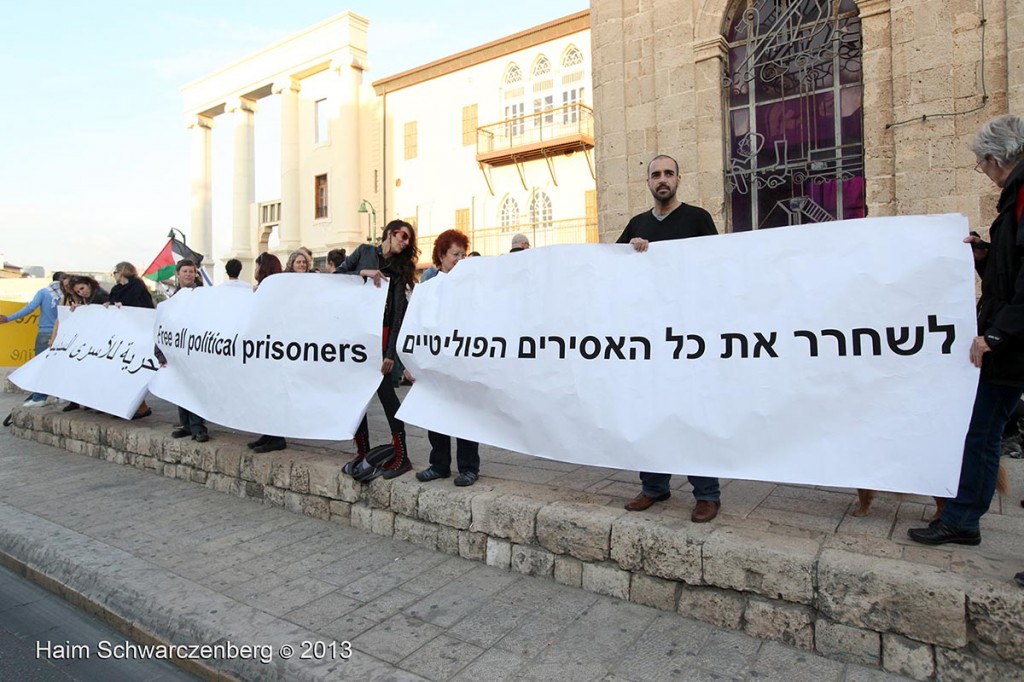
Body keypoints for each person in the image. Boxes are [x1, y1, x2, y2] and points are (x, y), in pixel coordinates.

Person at [909, 115, 1024, 549]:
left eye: (982, 165)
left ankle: (962, 519)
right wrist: (982, 255)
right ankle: (963, 518)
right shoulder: (1015, 199)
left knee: (981, 433)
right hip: (1012, 338)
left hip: (1011, 344)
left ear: (996, 159)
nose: (985, 174)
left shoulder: (1022, 196)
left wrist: (996, 335)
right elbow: (1012, 270)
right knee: (984, 430)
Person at [618, 154, 722, 523]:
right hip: (649, 338)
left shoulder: (698, 219)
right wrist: (631, 250)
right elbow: (612, 269)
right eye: (655, 175)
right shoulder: (637, 224)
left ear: (679, 178)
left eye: (668, 174)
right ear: (647, 182)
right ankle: (654, 486)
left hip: (688, 336)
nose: (662, 179)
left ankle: (707, 493)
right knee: (651, 411)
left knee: (692, 413)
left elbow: (717, 267)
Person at [338, 219, 419, 479]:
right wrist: (363, 274)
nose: (405, 242)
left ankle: (402, 454)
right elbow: (335, 277)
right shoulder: (364, 253)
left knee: (387, 396)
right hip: (357, 335)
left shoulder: (399, 269)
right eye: (402, 236)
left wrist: (389, 354)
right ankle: (363, 452)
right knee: (358, 397)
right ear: (389, 233)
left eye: (408, 239)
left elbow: (398, 315)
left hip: (381, 336)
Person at [412, 230, 481, 486]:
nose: (460, 259)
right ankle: (439, 464)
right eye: (455, 254)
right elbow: (416, 325)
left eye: (463, 254)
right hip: (435, 360)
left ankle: (468, 467)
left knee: (465, 413)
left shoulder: (472, 289)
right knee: (436, 412)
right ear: (441, 256)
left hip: (462, 359)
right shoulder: (427, 289)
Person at [246, 253, 292, 454]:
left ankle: (276, 436)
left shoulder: (273, 288)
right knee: (264, 393)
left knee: (271, 393)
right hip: (266, 348)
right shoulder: (269, 288)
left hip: (272, 349)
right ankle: (268, 433)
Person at [0, 272, 66, 407]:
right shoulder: (68, 295)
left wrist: (8, 318)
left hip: (45, 333)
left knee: (40, 366)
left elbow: (29, 308)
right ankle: (61, 395)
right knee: (59, 365)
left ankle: (39, 397)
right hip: (63, 334)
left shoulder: (44, 293)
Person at [168, 260, 209, 443]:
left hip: (195, 348)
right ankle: (185, 424)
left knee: (194, 389)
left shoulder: (202, 294)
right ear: (178, 274)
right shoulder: (174, 297)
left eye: (191, 271)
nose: (188, 274)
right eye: (185, 271)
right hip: (178, 349)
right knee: (181, 388)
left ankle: (198, 427)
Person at [108, 262, 155, 420]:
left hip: (136, 335)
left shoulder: (137, 287)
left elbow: (144, 308)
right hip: (120, 337)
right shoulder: (116, 290)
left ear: (121, 272)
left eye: (115, 272)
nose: (114, 275)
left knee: (133, 371)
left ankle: (140, 407)